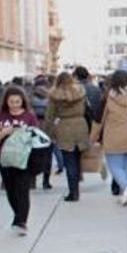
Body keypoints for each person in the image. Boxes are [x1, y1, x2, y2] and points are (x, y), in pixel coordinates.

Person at [0, 86, 38, 235]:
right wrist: (5, 131)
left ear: (23, 101)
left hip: (24, 158)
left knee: (23, 189)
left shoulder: (29, 116)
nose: (15, 105)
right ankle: (17, 214)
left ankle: (22, 220)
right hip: (5, 157)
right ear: (6, 102)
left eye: (18, 102)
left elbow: (35, 136)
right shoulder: (0, 116)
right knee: (10, 190)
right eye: (12, 102)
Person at [93, 69, 127, 205]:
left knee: (114, 166)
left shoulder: (108, 96)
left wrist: (93, 137)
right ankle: (124, 193)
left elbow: (99, 119)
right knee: (125, 166)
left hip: (114, 136)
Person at [45, 71, 90, 202]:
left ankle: (73, 192)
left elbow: (49, 116)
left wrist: (49, 133)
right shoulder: (80, 91)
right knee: (78, 158)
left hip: (64, 127)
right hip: (81, 125)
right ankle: (77, 186)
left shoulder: (54, 95)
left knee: (69, 161)